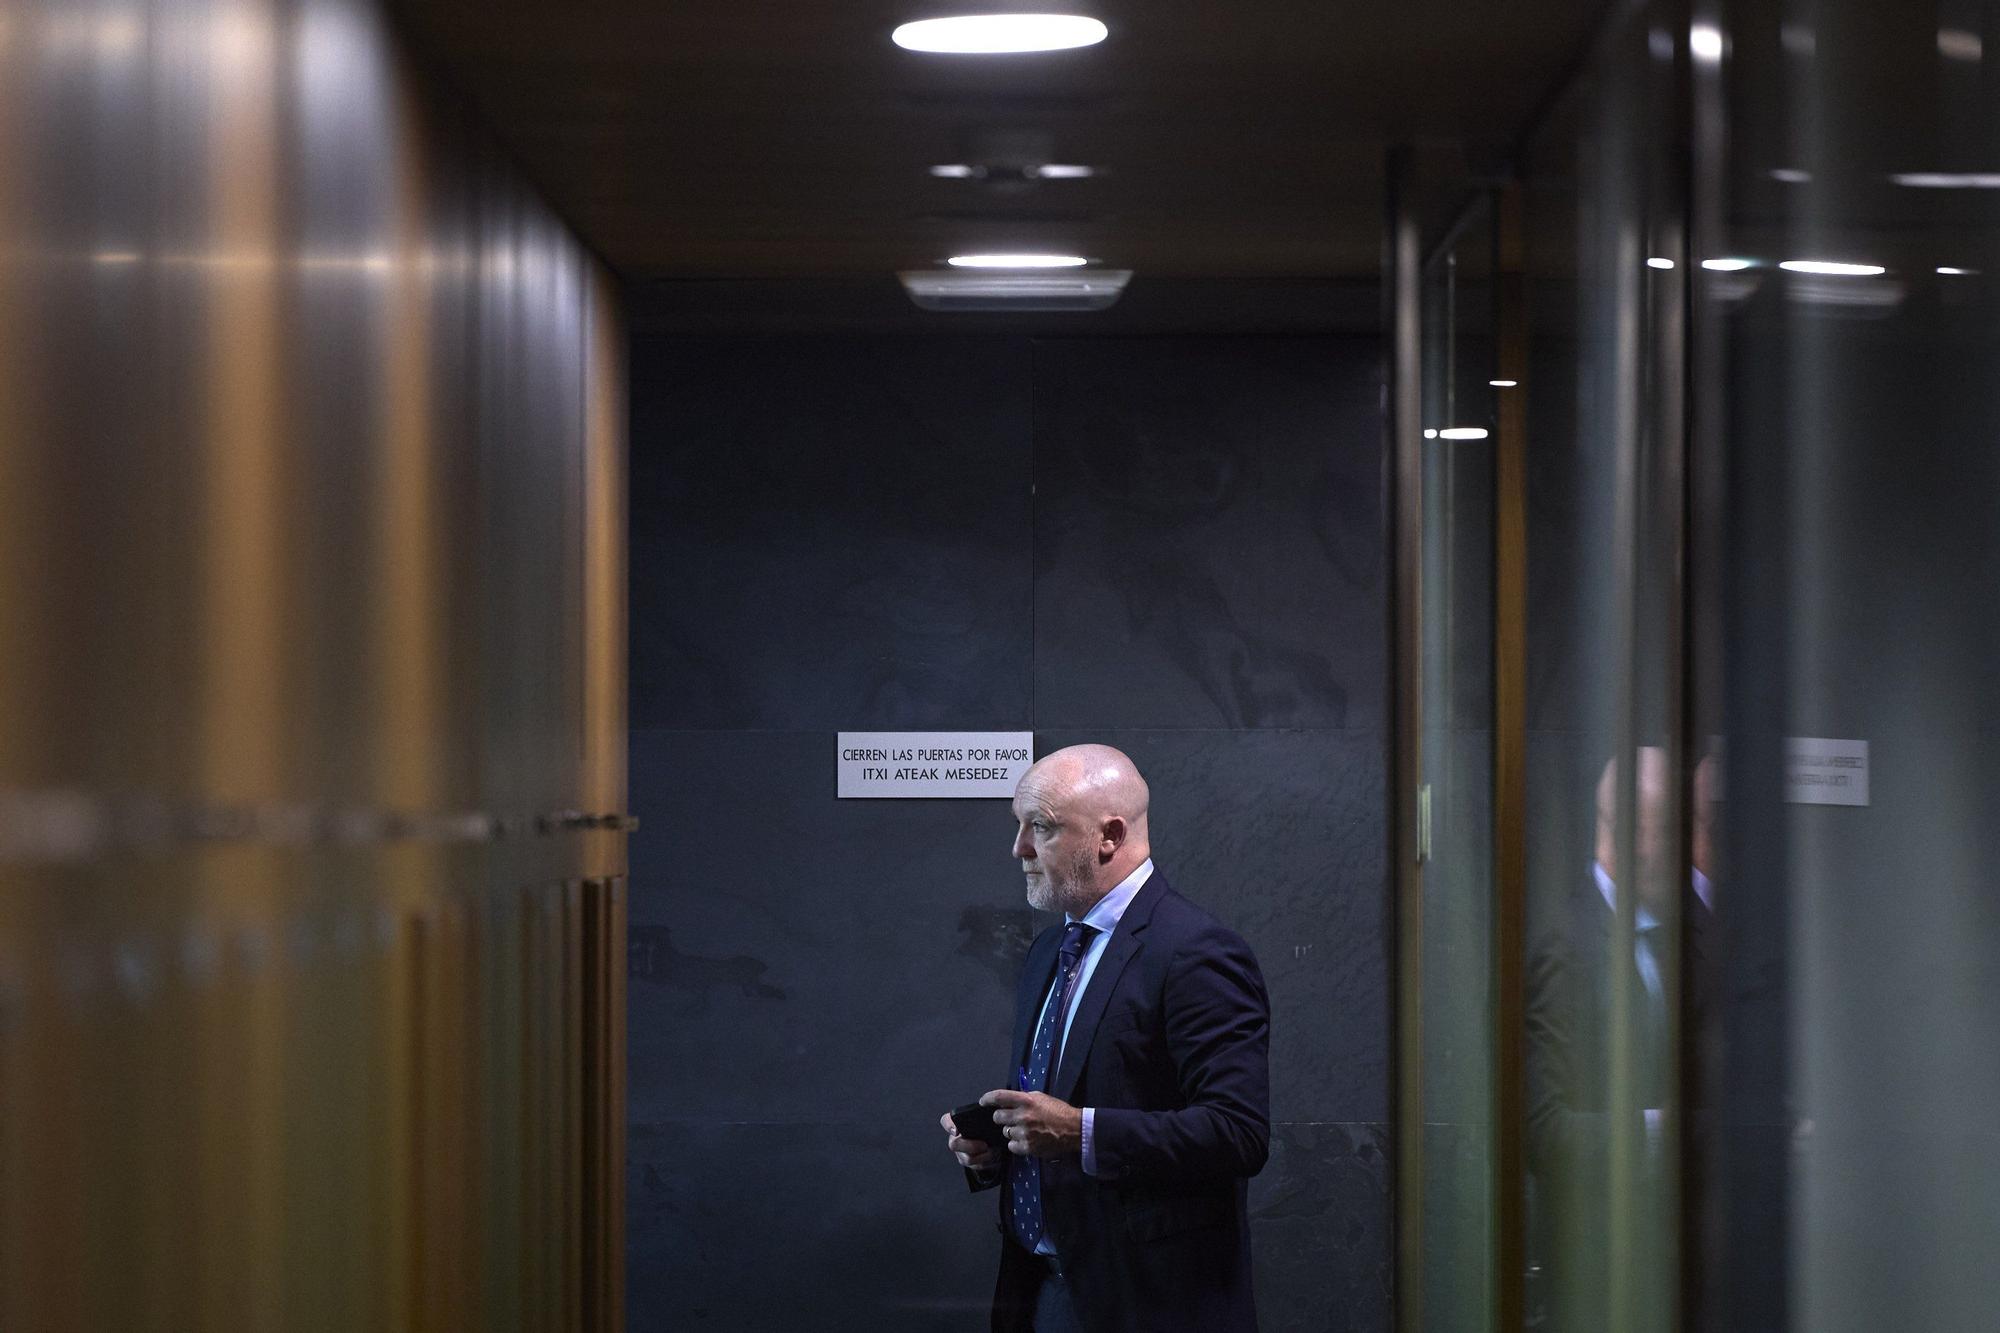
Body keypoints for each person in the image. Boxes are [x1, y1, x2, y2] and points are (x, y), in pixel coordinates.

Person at [938, 744, 1271, 1333]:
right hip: (1037, 1290)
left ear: (1109, 836)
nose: (1018, 849)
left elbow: (1238, 1134)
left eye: (1039, 827)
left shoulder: (1195, 952)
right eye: (1019, 826)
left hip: (1147, 1305)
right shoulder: (1048, 950)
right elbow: (1055, 1112)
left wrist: (1078, 1131)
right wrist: (999, 1148)